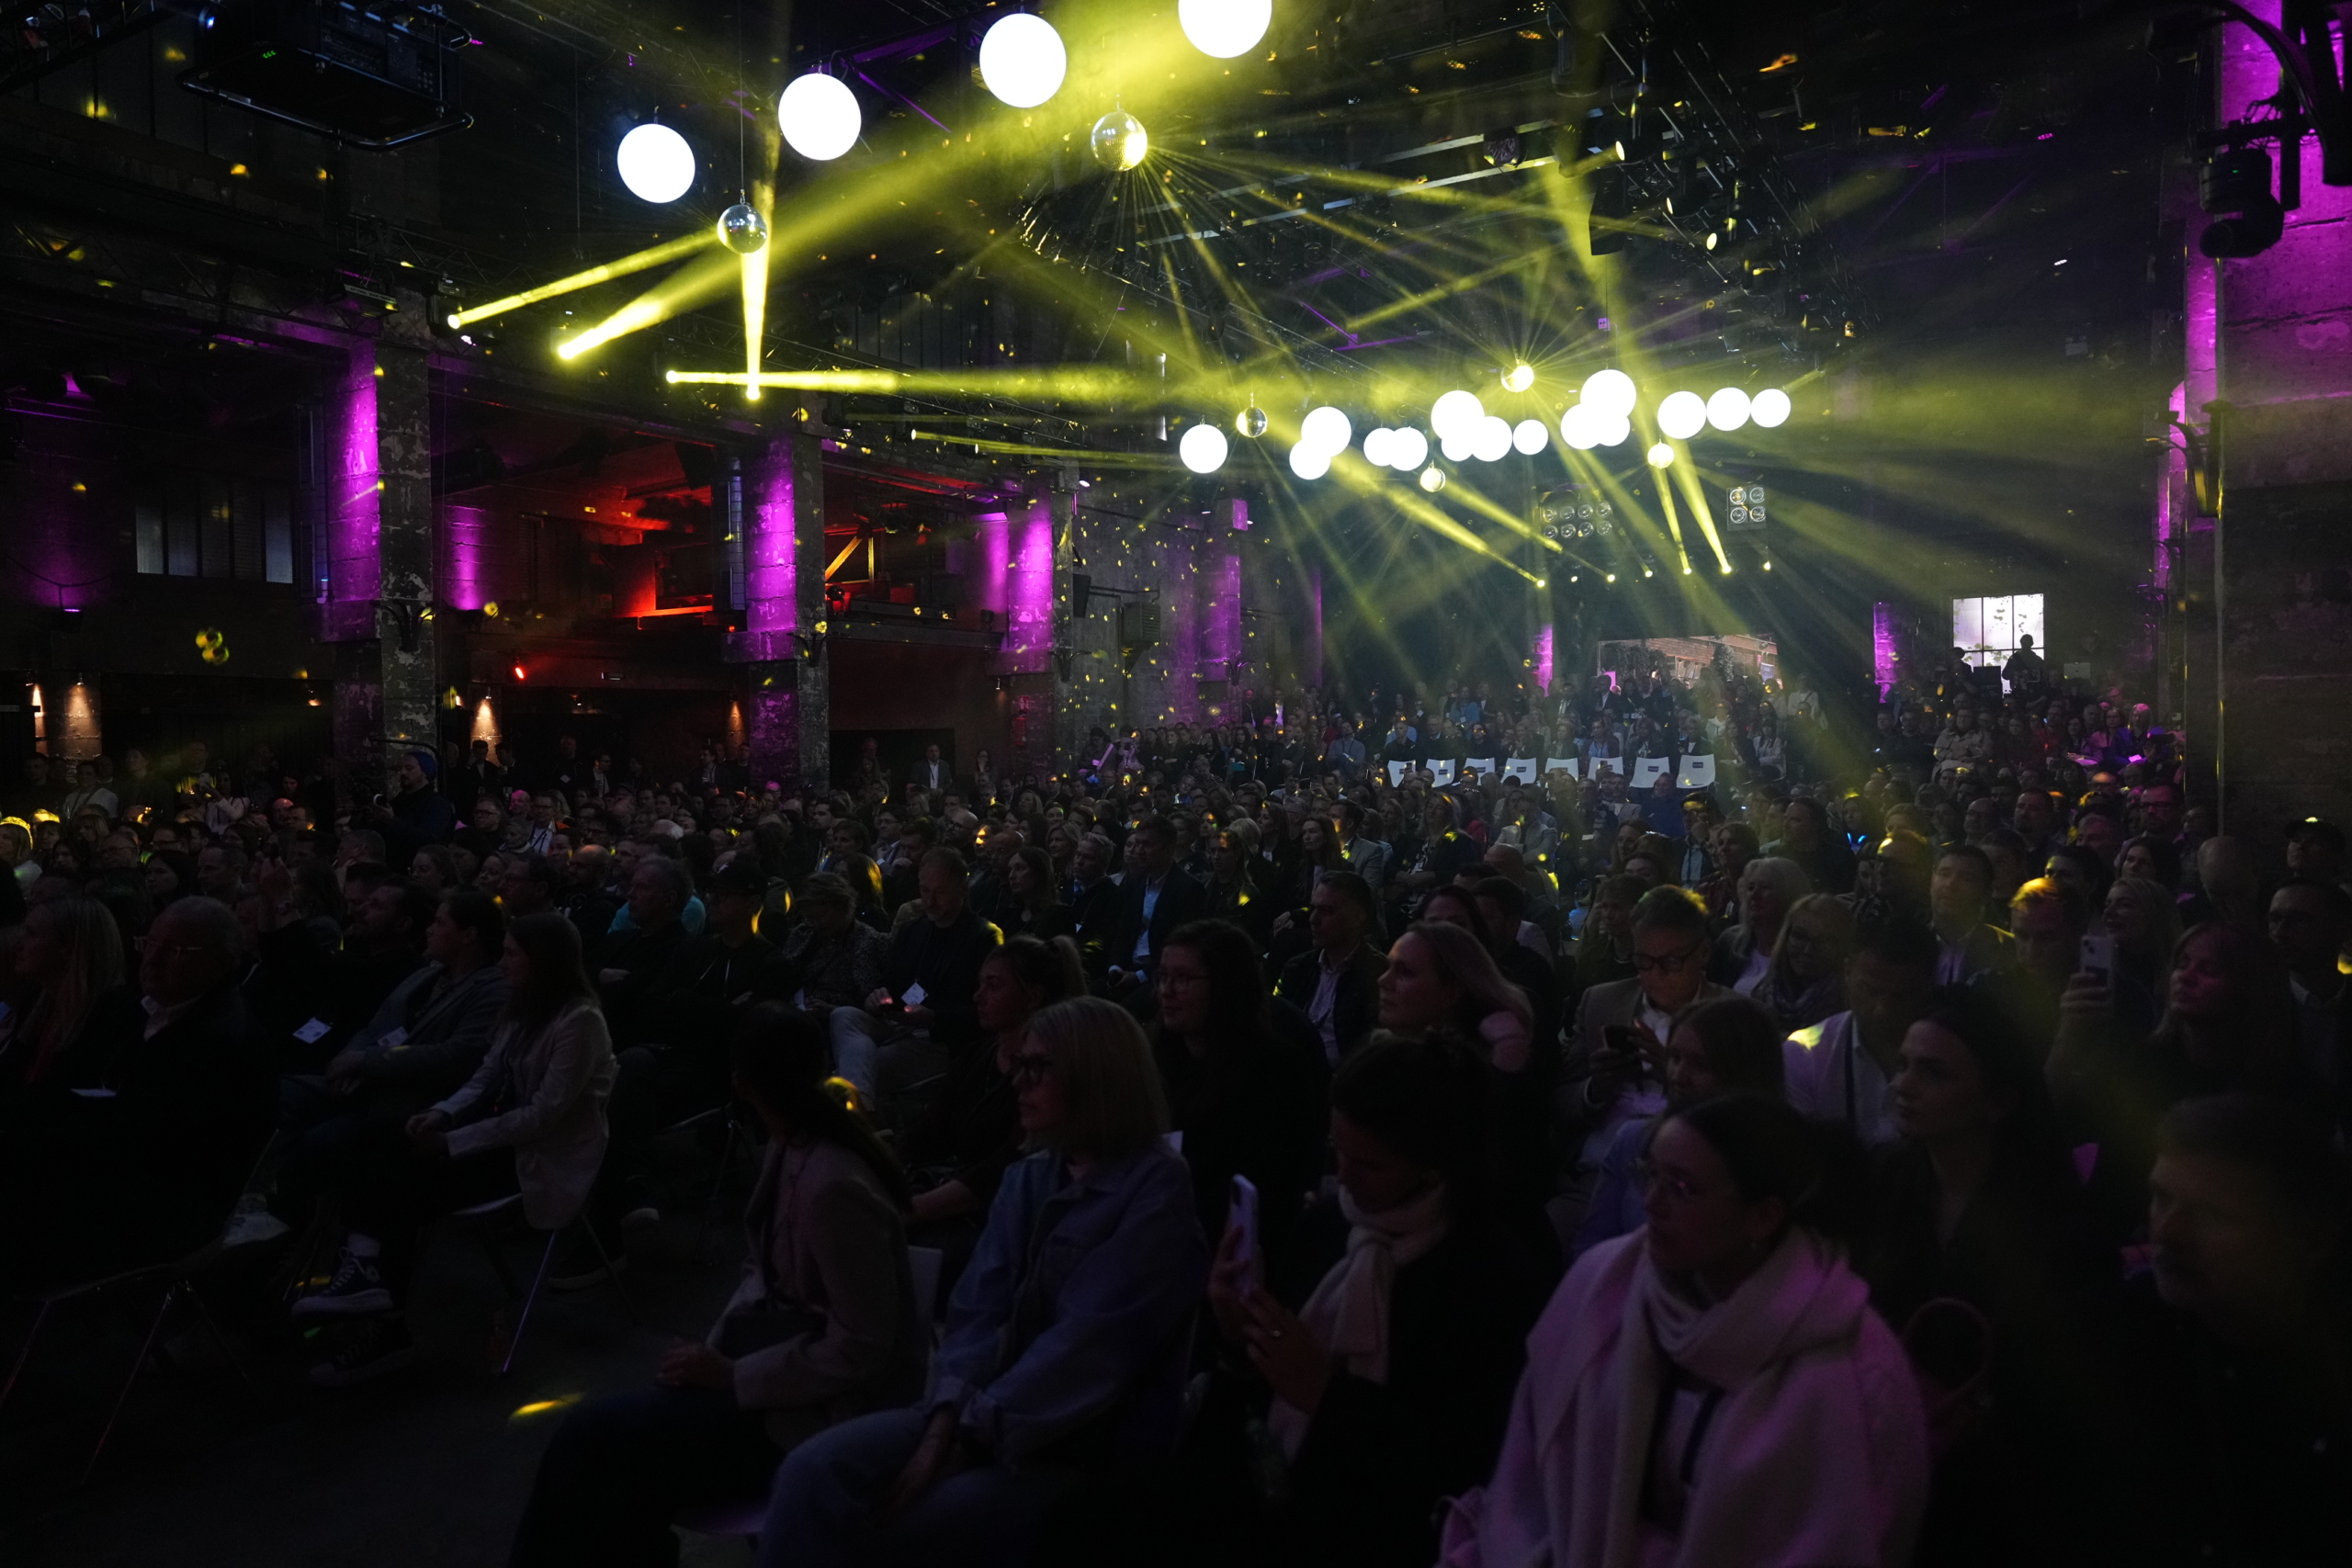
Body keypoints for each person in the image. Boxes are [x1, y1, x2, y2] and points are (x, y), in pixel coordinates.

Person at [755, 997, 1208, 1568]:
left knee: (904, 1527)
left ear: (1095, 1076)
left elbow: (1086, 1352)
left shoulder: (1157, 1192)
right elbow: (976, 1309)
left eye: (1036, 1068)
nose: (1017, 1081)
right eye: (1020, 1065)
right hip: (977, 1413)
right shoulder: (1030, 1175)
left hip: (1080, 1448)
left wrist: (963, 1434)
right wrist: (946, 1420)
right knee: (810, 1474)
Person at [509, 1007, 930, 1568]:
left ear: (740, 1082)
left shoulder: (830, 1184)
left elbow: (864, 1344)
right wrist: (718, 1352)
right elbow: (766, 1273)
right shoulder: (793, 1147)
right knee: (607, 1468)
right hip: (776, 1373)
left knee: (593, 1444)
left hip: (818, 1412)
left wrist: (734, 1374)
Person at [1440, 1093, 1929, 1568]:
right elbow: (1530, 1482)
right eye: (1649, 1174)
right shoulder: (1601, 1287)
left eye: (1681, 1187)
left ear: (1762, 1217)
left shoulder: (1853, 1366)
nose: (1650, 1202)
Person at [1188, 1033, 1546, 1568]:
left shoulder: (1491, 1275)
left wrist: (1327, 1396)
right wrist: (1241, 1337)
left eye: (1370, 1164)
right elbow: (1253, 1401)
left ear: (1433, 1165)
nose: (1343, 1176)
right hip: (1272, 1498)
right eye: (1337, 1151)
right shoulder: (1325, 1227)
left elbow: (1465, 1465)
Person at [294, 912, 616, 1386]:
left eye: (511, 954)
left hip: (542, 1156)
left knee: (405, 1180)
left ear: (543, 961)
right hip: (499, 1137)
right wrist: (442, 1114)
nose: (501, 963)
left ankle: (382, 1315)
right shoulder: (523, 1008)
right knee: (386, 1136)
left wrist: (453, 1141)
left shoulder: (580, 1022)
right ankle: (365, 1269)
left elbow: (542, 1117)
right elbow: (485, 1077)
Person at [1856, 987, 2117, 1565]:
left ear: (1997, 1101)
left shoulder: (2056, 1225)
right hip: (1884, 1463)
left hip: (1999, 1499)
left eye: (1933, 1073)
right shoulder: (1883, 1183)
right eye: (1902, 1065)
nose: (1903, 1085)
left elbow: (2071, 1393)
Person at [2113, 1095, 2352, 1566]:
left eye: (2209, 1215)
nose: (2165, 1233)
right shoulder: (2118, 1335)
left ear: (2311, 1241)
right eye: (2161, 1197)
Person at [0, 897, 272, 1289]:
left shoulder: (216, 1043)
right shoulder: (148, 1013)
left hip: (163, 1205)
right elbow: (78, 1097)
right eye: (151, 944)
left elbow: (134, 1140)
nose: (152, 960)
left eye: (175, 951)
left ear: (223, 962)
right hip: (117, 1174)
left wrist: (18, 1147)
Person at [898, 935, 1088, 1285]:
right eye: (980, 984)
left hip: (999, 1220)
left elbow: (1002, 1170)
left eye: (994, 986)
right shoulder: (978, 1056)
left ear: (1033, 996)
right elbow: (928, 1132)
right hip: (949, 1195)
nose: (978, 996)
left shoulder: (1051, 1075)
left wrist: (909, 1209)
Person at [1152, 919, 1329, 1269]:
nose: (1166, 991)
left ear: (1224, 987)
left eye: (1183, 978)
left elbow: (1265, 1190)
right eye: (1163, 976)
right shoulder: (1161, 1056)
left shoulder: (1274, 1070)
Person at [1573, 995, 1786, 1259]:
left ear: (1742, 1074)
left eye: (1700, 1065)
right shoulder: (1634, 1140)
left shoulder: (1777, 1165)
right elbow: (1590, 1248)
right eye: (1674, 1058)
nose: (1677, 1076)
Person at [1563, 887, 1726, 1223]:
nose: (1655, 974)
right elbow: (1559, 1097)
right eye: (1643, 961)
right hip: (1594, 1174)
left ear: (1704, 953)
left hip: (1687, 1181)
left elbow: (1748, 1115)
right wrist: (1596, 1089)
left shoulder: (1735, 1017)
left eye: (1671, 961)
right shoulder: (1602, 1003)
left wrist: (1672, 1074)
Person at [830, 849, 1001, 1116]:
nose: (930, 901)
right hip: (900, 1023)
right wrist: (878, 998)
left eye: (940, 892)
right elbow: (891, 984)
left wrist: (934, 1017)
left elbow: (988, 1010)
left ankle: (859, 1106)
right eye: (925, 890)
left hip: (939, 1039)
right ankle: (862, 1107)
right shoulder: (913, 930)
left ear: (961, 888)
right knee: (843, 1016)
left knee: (853, 1070)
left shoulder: (983, 937)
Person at [1782, 918, 1940, 1149]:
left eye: (1900, 997)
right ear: (1847, 971)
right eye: (1871, 991)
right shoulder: (1803, 1055)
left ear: (1929, 987)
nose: (1882, 1010)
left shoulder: (1807, 1055)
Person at [0, 894, 138, 1100]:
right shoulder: (38, 1004)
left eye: (31, 934)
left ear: (69, 948)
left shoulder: (115, 1017)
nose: (17, 944)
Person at [1272, 871, 1386, 1067]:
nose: (1313, 919)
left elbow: (1373, 1056)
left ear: (1358, 918)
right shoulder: (1297, 967)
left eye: (1327, 911)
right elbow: (1275, 1023)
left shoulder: (1380, 976)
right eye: (1313, 908)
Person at [1099, 816, 1207, 995]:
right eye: (1137, 843)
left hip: (1160, 975)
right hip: (1127, 966)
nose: (1139, 851)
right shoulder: (1135, 880)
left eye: (1147, 845)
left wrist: (1140, 976)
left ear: (1168, 848)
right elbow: (1124, 930)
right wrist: (1115, 967)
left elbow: (1182, 946)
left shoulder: (1188, 889)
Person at [1748, 893, 1852, 1032]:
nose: (1808, 950)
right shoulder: (1764, 992)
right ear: (1786, 936)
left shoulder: (1848, 1008)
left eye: (1823, 941)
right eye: (1799, 936)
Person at [1709, 856, 1808, 994]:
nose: (1754, 895)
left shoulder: (1806, 952)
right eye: (1751, 888)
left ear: (1789, 893)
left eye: (1766, 887)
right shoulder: (1730, 944)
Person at [1927, 845, 2011, 984]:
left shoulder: (2006, 948)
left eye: (1967, 878)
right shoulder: (1907, 942)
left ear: (1986, 893)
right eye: (1944, 874)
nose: (1951, 884)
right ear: (1931, 882)